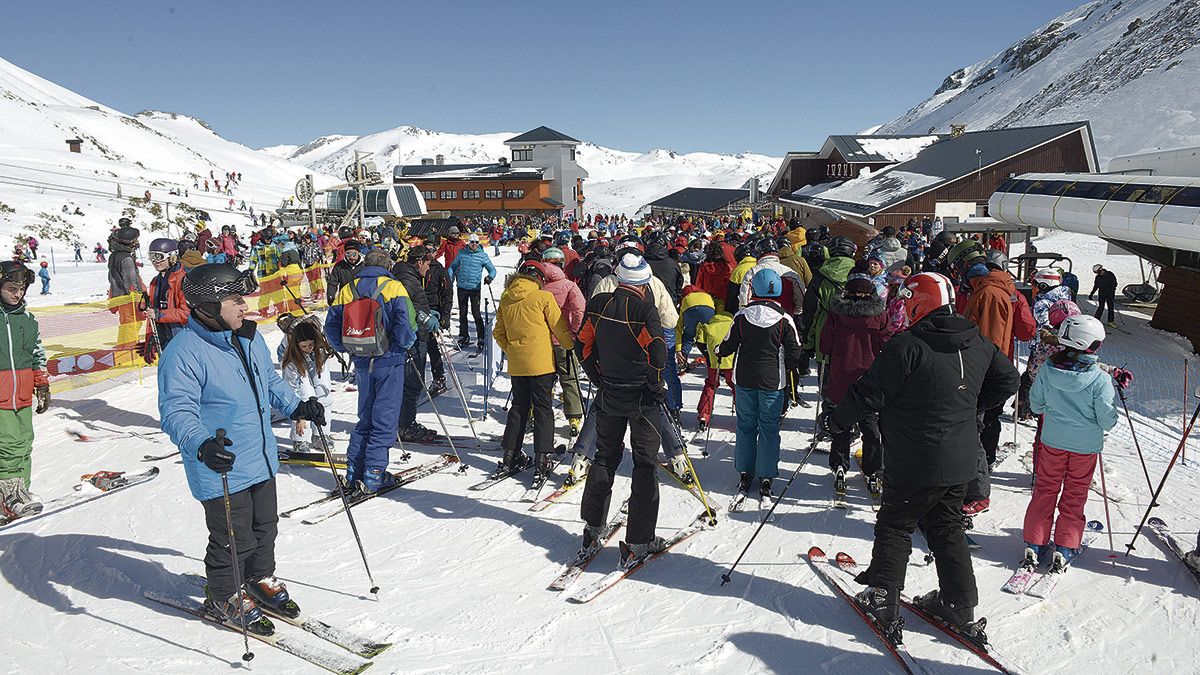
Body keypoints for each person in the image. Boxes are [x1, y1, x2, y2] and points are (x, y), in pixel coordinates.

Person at [822, 272, 1019, 644]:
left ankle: (883, 598)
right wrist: (970, 406)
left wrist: (835, 420)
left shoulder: (908, 345)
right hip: (959, 459)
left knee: (896, 524)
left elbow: (868, 393)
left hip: (915, 458)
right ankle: (959, 604)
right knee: (945, 527)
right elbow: (1007, 379)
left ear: (918, 302)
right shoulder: (976, 340)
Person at [159, 264, 325, 634]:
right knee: (232, 538)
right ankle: (224, 595)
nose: (243, 306)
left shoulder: (248, 337)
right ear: (209, 304)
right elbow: (176, 410)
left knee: (265, 526)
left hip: (260, 456)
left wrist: (296, 405)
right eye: (235, 300)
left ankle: (259, 577)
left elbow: (268, 380)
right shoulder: (184, 352)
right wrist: (201, 444)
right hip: (220, 464)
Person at [574, 252, 674, 565]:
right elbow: (658, 352)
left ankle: (592, 527)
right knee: (644, 465)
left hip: (610, 393)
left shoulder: (599, 304)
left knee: (604, 457)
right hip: (642, 399)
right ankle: (639, 542)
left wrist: (596, 374)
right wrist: (656, 386)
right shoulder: (645, 309)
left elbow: (582, 344)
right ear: (643, 284)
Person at [1021, 315, 1116, 571]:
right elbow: (1107, 420)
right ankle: (1065, 546)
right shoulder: (1099, 379)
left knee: (1045, 489)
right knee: (1075, 494)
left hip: (1053, 441)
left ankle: (1035, 541)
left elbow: (1037, 403)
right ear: (1091, 346)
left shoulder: (1048, 370)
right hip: (1084, 448)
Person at [324, 250, 418, 494]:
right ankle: (374, 472)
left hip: (362, 360)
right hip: (389, 360)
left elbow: (331, 324)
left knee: (365, 416)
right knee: (385, 417)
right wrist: (402, 347)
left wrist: (346, 348)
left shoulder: (348, 288)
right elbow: (405, 324)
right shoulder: (393, 287)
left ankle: (354, 469)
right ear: (388, 265)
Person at [718, 268, 802, 500]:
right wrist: (789, 366)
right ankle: (766, 474)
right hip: (772, 381)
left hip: (744, 378)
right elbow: (795, 351)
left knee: (745, 424)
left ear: (754, 289)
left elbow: (727, 345)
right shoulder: (785, 319)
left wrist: (719, 351)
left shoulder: (742, 317)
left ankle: (745, 471)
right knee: (768, 427)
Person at [493, 261, 574, 479]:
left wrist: (512, 349)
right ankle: (543, 458)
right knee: (543, 408)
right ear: (538, 278)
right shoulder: (543, 297)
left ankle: (510, 455)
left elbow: (498, 333)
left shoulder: (506, 298)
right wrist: (570, 346)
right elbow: (559, 326)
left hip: (518, 364)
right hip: (541, 363)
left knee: (519, 407)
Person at [819, 267, 887, 497]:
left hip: (841, 374)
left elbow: (825, 344)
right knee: (870, 425)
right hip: (869, 375)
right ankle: (874, 469)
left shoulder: (837, 313)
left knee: (841, 421)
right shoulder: (879, 314)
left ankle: (839, 464)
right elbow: (886, 342)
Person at [0, 262, 50, 519]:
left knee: (24, 443)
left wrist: (41, 383)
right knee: (8, 445)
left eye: (21, 289)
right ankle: (9, 497)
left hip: (22, 392)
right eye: (11, 288)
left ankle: (22, 492)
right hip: (1, 394)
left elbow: (37, 354)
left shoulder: (28, 320)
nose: (17, 294)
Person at [392, 247, 442, 443]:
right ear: (419, 262)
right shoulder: (406, 278)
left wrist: (428, 314)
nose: (429, 267)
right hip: (411, 337)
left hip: (416, 333)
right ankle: (404, 426)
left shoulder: (409, 275)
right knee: (411, 383)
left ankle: (404, 422)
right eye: (428, 262)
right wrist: (423, 318)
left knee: (411, 383)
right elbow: (405, 307)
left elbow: (415, 304)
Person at [540, 248, 587, 436]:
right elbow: (579, 310)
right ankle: (574, 414)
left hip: (541, 341)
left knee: (543, 379)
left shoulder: (537, 286)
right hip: (563, 341)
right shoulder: (569, 286)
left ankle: (537, 410)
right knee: (569, 377)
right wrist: (575, 332)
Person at [802, 236, 856, 384]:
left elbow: (811, 313)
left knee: (828, 387)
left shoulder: (820, 277)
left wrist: (808, 342)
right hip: (854, 336)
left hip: (825, 335)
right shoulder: (860, 275)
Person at [279, 321, 334, 454]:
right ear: (296, 345)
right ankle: (300, 440)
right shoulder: (291, 362)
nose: (308, 348)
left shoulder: (320, 351)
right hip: (300, 390)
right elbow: (292, 388)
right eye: (303, 346)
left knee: (324, 399)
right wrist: (300, 416)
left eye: (311, 344)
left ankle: (321, 435)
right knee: (304, 401)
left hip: (319, 382)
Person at [448, 234, 497, 350]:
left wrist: (490, 277)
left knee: (476, 313)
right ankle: (463, 336)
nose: (474, 244)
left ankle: (480, 337)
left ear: (478, 243)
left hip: (475, 288)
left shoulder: (482, 256)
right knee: (463, 313)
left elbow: (492, 270)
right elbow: (452, 267)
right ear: (468, 243)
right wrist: (449, 277)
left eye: (476, 242)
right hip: (462, 287)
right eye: (472, 242)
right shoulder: (462, 254)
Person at [144, 238, 190, 361]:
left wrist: (159, 315)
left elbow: (187, 313)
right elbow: (152, 314)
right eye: (152, 256)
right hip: (165, 338)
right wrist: (151, 337)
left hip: (183, 338)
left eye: (159, 256)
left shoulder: (183, 280)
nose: (155, 261)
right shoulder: (155, 282)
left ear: (172, 256)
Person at [694, 311, 735, 431]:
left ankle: (703, 415)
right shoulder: (733, 324)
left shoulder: (708, 325)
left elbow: (700, 341)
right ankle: (744, 415)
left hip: (713, 361)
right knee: (736, 386)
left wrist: (707, 355)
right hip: (731, 362)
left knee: (711, 385)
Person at [420, 245, 453, 394]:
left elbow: (447, 293)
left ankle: (439, 377)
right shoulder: (416, 267)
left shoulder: (439, 269)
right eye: (426, 251)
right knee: (418, 348)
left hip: (433, 311)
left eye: (431, 251)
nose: (429, 254)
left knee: (431, 347)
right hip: (418, 310)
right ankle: (418, 379)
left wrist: (446, 315)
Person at [325, 240, 363, 306]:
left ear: (358, 253)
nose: (351, 257)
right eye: (348, 254)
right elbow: (332, 282)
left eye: (354, 254)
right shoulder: (339, 266)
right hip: (345, 300)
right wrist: (330, 295)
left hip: (362, 299)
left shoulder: (365, 265)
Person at [1089, 264, 1118, 328]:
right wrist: (1091, 294)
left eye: (1097, 272)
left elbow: (1115, 283)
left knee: (1110, 306)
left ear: (1100, 270)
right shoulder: (1098, 277)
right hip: (1102, 293)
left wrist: (1112, 289)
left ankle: (1110, 321)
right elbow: (1096, 286)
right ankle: (1096, 319)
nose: (1098, 274)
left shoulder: (1110, 274)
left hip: (1110, 293)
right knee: (1101, 306)